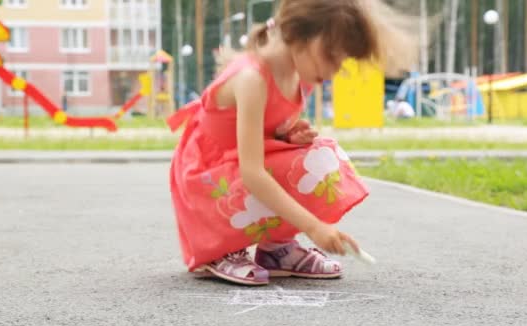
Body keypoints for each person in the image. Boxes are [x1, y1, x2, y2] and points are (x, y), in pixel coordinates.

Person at [167, 0, 416, 285]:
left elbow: (259, 135)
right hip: (207, 180)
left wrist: (287, 136)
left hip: (235, 169)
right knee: (298, 166)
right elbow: (253, 173)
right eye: (332, 56)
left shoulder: (298, 72)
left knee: (321, 157)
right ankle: (220, 249)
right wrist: (314, 227)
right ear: (301, 34)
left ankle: (277, 249)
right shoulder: (251, 79)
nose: (335, 71)